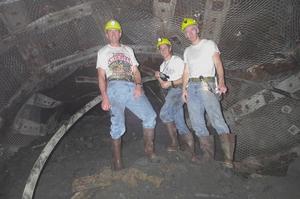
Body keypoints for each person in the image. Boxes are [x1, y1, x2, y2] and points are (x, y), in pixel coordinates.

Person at [96, 19, 157, 170]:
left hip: (131, 86)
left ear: (120, 33)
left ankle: (149, 150)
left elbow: (136, 71)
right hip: (114, 88)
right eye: (110, 31)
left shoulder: (128, 50)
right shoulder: (103, 51)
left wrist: (138, 85)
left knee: (150, 116)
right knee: (118, 125)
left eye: (116, 31)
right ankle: (117, 162)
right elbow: (101, 76)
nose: (113, 34)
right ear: (107, 35)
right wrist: (104, 96)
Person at [181, 18, 236, 168]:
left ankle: (228, 161)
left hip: (207, 84)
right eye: (187, 32)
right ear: (185, 35)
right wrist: (183, 90)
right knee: (197, 122)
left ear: (197, 29)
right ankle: (207, 157)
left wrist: (222, 82)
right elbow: (186, 71)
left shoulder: (209, 44)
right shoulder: (187, 51)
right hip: (192, 87)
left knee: (217, 119)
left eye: (192, 29)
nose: (190, 33)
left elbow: (218, 64)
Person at [154, 37, 198, 162]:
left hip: (179, 90)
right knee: (180, 124)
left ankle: (175, 143)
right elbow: (164, 84)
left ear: (170, 48)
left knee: (164, 114)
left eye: (165, 47)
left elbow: (185, 77)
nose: (163, 50)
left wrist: (171, 83)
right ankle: (192, 154)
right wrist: (158, 77)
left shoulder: (177, 61)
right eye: (161, 49)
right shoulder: (163, 65)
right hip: (171, 93)